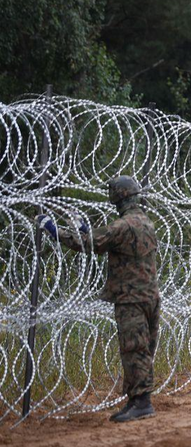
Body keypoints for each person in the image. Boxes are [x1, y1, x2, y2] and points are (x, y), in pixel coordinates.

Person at [36, 176, 159, 423]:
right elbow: (107, 243)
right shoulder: (146, 223)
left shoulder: (123, 226)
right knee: (142, 349)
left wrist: (54, 230)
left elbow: (89, 243)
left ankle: (142, 403)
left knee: (133, 350)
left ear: (119, 197)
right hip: (150, 296)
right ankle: (135, 400)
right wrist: (86, 231)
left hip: (130, 298)